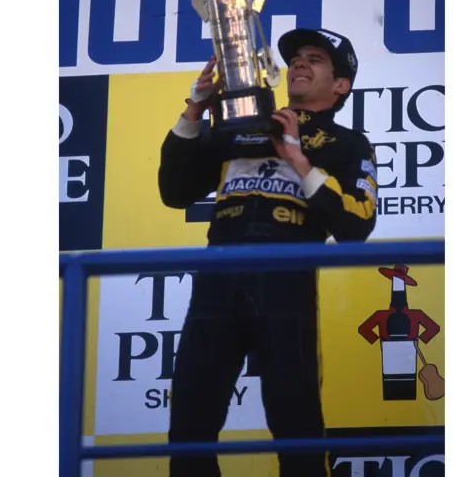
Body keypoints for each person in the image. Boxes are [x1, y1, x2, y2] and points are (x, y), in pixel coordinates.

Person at [158, 28, 378, 477]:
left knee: (296, 428)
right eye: (296, 57)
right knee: (188, 426)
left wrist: (298, 158)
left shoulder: (348, 144)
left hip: (286, 285)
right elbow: (174, 191)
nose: (299, 63)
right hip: (217, 280)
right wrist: (195, 108)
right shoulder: (240, 125)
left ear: (341, 86)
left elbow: (357, 226)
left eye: (315, 59)